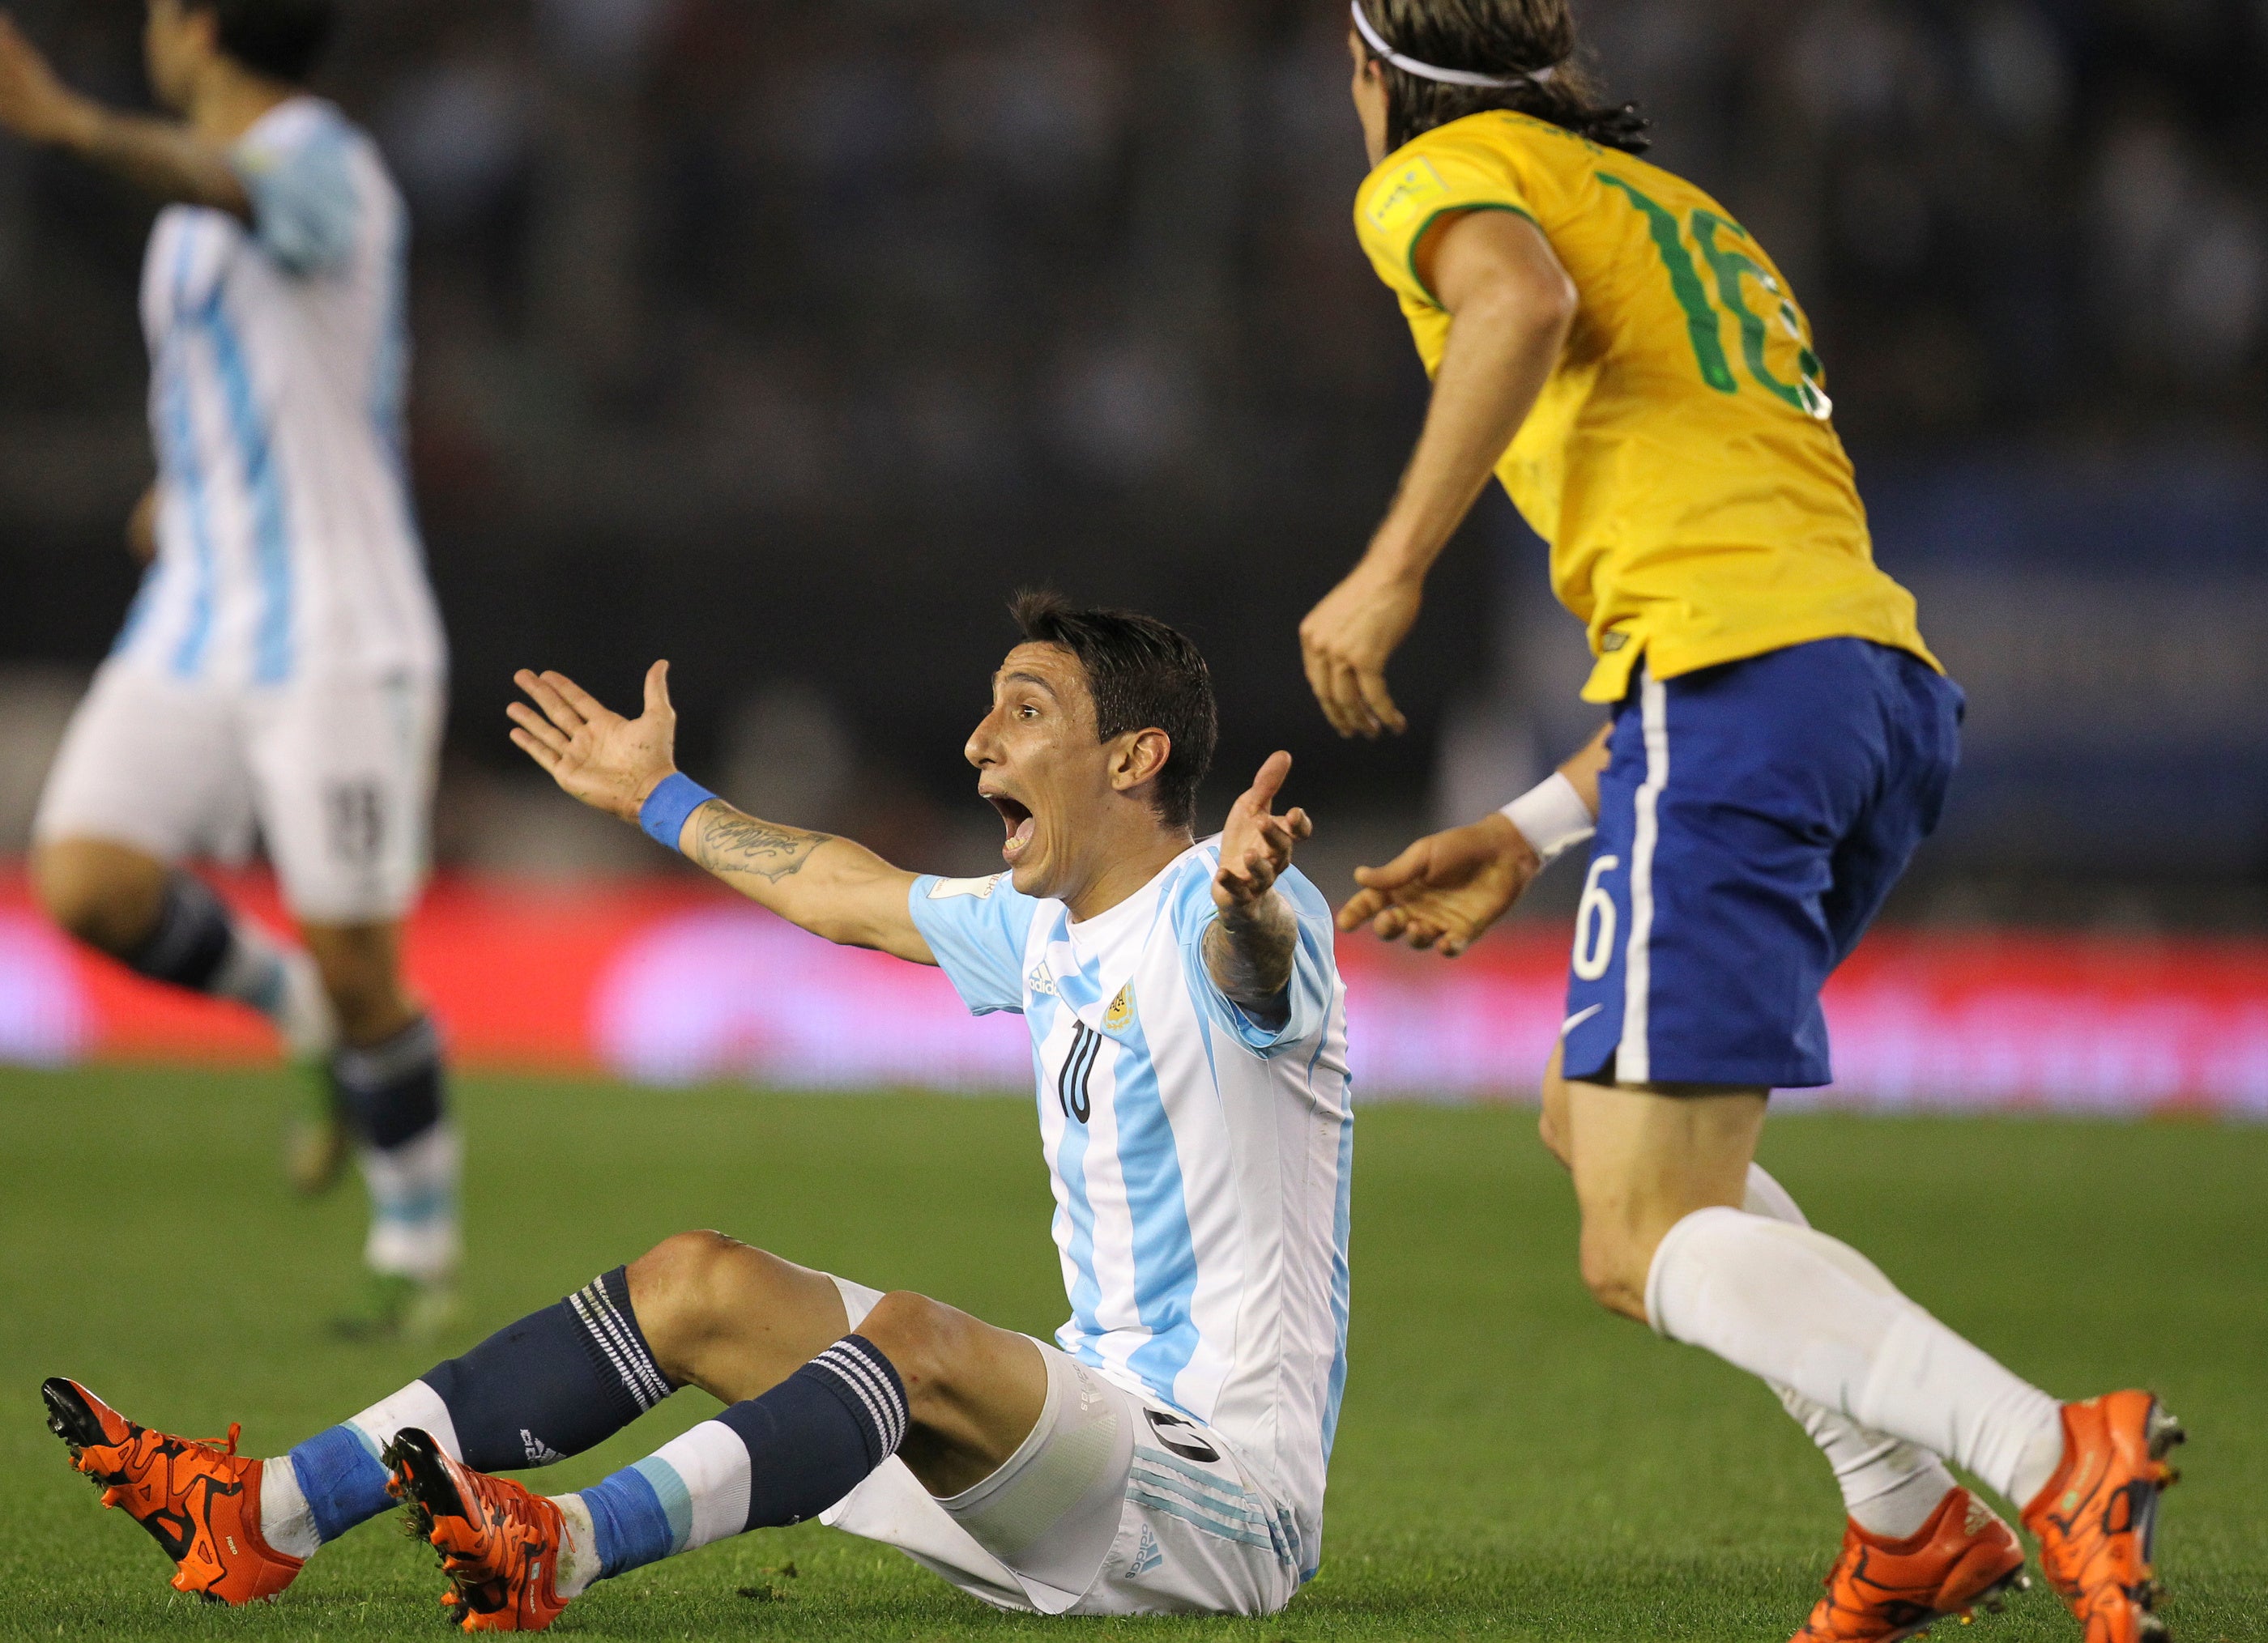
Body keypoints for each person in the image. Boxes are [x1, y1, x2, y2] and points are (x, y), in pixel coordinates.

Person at [1300, 6, 2181, 1642]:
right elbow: (1748, 574)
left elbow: (1514, 300)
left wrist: (1393, 562)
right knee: (1598, 1126)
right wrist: (1526, 826)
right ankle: (1905, 1525)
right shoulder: (1675, 208)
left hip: (1735, 696)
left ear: (1373, 72)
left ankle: (2041, 1452)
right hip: (1864, 692)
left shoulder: (1439, 179)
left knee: (1638, 1236)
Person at [42, 595, 1354, 1629]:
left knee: (920, 1338)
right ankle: (264, 1513)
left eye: (1025, 710)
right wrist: (657, 799)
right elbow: (844, 889)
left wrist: (1248, 905)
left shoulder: (1226, 905)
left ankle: (567, 1544)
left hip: (1223, 1499)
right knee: (693, 1283)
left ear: (1134, 754)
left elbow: (1256, 975)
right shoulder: (1046, 927)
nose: (978, 742)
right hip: (1081, 1450)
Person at [0, 0, 458, 1336]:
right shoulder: (199, 207)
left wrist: (70, 124)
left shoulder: (321, 158)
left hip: (335, 626)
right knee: (83, 878)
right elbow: (263, 371)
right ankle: (292, 1003)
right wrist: (182, 484)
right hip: (197, 611)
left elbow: (233, 188)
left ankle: (416, 1253)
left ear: (197, 30)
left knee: (369, 959)